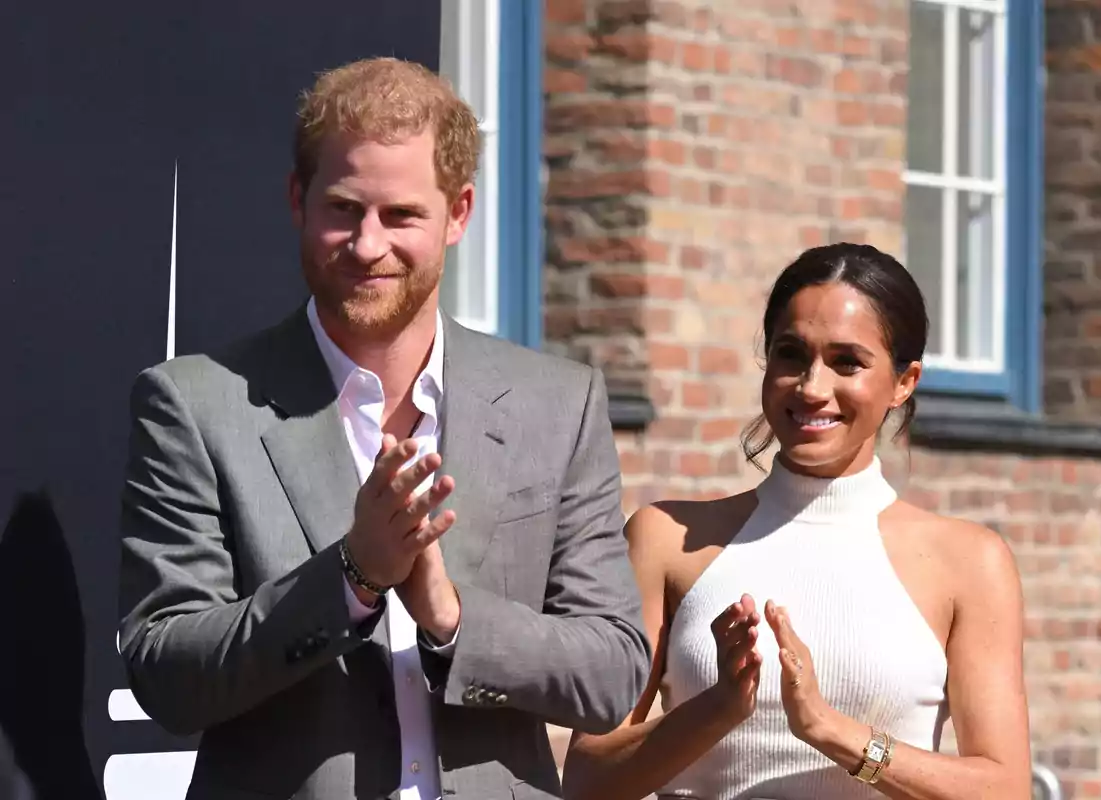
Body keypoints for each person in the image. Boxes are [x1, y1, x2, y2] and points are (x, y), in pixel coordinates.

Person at [118, 57, 650, 800]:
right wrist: (351, 579)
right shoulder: (196, 405)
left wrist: (451, 617)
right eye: (343, 208)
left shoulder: (558, 404)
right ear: (297, 199)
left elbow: (614, 673)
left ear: (458, 214)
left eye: (401, 215)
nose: (368, 245)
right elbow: (166, 670)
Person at [562, 243, 1031, 800]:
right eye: (791, 354)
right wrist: (718, 707)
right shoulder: (667, 539)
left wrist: (832, 731)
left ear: (904, 382)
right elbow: (588, 778)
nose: (812, 386)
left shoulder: (968, 562)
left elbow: (1003, 788)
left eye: (847, 362)